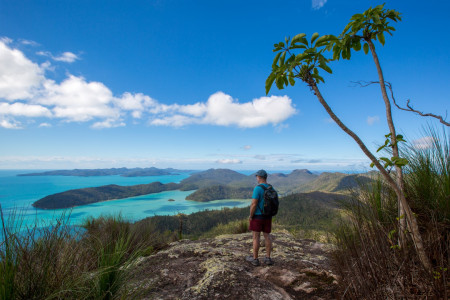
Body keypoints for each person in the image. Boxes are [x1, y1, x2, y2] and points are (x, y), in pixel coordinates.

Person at [246, 169, 274, 266]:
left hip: (258, 216)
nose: (257, 178)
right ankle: (268, 258)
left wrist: (251, 215)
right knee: (267, 236)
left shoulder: (257, 188)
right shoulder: (271, 188)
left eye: (257, 177)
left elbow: (254, 204)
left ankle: (255, 259)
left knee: (256, 237)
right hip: (268, 216)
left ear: (259, 177)